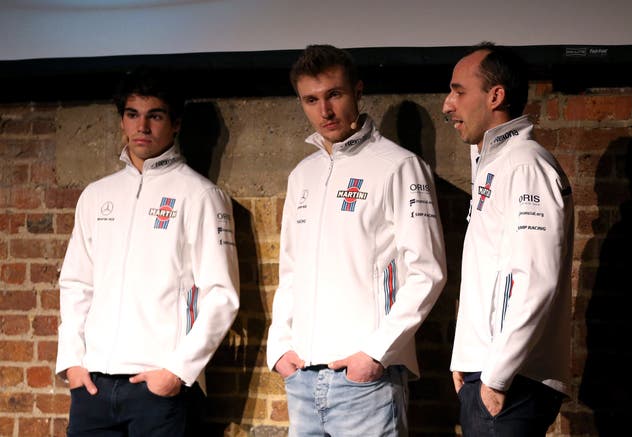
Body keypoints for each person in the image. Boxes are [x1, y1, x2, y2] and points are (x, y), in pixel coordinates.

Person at [266, 44, 447, 436]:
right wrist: (279, 346)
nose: (324, 111)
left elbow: (427, 272)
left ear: (358, 91)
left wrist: (375, 354)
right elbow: (291, 271)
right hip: (303, 380)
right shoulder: (303, 174)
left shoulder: (399, 165)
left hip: (366, 382)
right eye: (311, 100)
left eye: (334, 95)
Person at [55, 68, 240, 436]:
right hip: (93, 386)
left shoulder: (200, 195)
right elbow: (76, 284)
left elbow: (222, 295)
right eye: (132, 114)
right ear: (122, 122)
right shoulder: (97, 195)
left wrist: (177, 372)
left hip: (159, 390)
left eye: (154, 115)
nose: (142, 126)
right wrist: (74, 363)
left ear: (175, 124)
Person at [443, 43, 574, 436]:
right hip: (489, 373)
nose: (448, 105)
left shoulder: (525, 164)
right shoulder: (497, 164)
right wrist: (464, 356)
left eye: (458, 91)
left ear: (495, 95)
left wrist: (496, 378)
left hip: (509, 382)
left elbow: (534, 277)